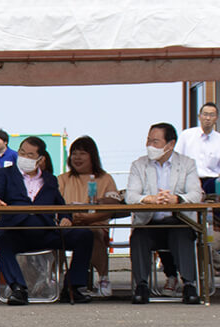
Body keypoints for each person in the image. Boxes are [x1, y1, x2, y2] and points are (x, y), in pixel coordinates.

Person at [0, 135, 94, 305]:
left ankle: (72, 287)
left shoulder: (49, 179)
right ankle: (18, 289)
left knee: (85, 235)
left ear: (40, 159)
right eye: (22, 152)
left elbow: (61, 204)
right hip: (17, 231)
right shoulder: (4, 174)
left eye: (30, 155)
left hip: (45, 231)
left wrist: (66, 217)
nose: (24, 157)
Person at [126, 122, 203, 305]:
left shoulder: (187, 164)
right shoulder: (139, 165)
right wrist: (150, 199)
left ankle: (189, 285)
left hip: (177, 221)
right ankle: (141, 286)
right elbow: (130, 196)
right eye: (148, 140)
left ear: (170, 144)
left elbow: (196, 194)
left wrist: (176, 199)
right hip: (149, 222)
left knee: (181, 233)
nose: (150, 145)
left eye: (155, 141)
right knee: (138, 236)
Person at [56, 136, 121, 297]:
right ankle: (53, 279)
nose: (77, 158)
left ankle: (103, 278)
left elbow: (113, 207)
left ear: (92, 156)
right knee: (52, 235)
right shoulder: (62, 179)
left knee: (93, 234)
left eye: (82, 153)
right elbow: (54, 205)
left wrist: (89, 219)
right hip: (67, 225)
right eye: (74, 153)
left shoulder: (105, 179)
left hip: (95, 224)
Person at [174, 102, 220, 195]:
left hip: (211, 182)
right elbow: (176, 159)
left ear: (216, 118)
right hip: (189, 180)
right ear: (199, 117)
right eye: (205, 114)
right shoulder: (186, 135)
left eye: (212, 115)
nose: (208, 118)